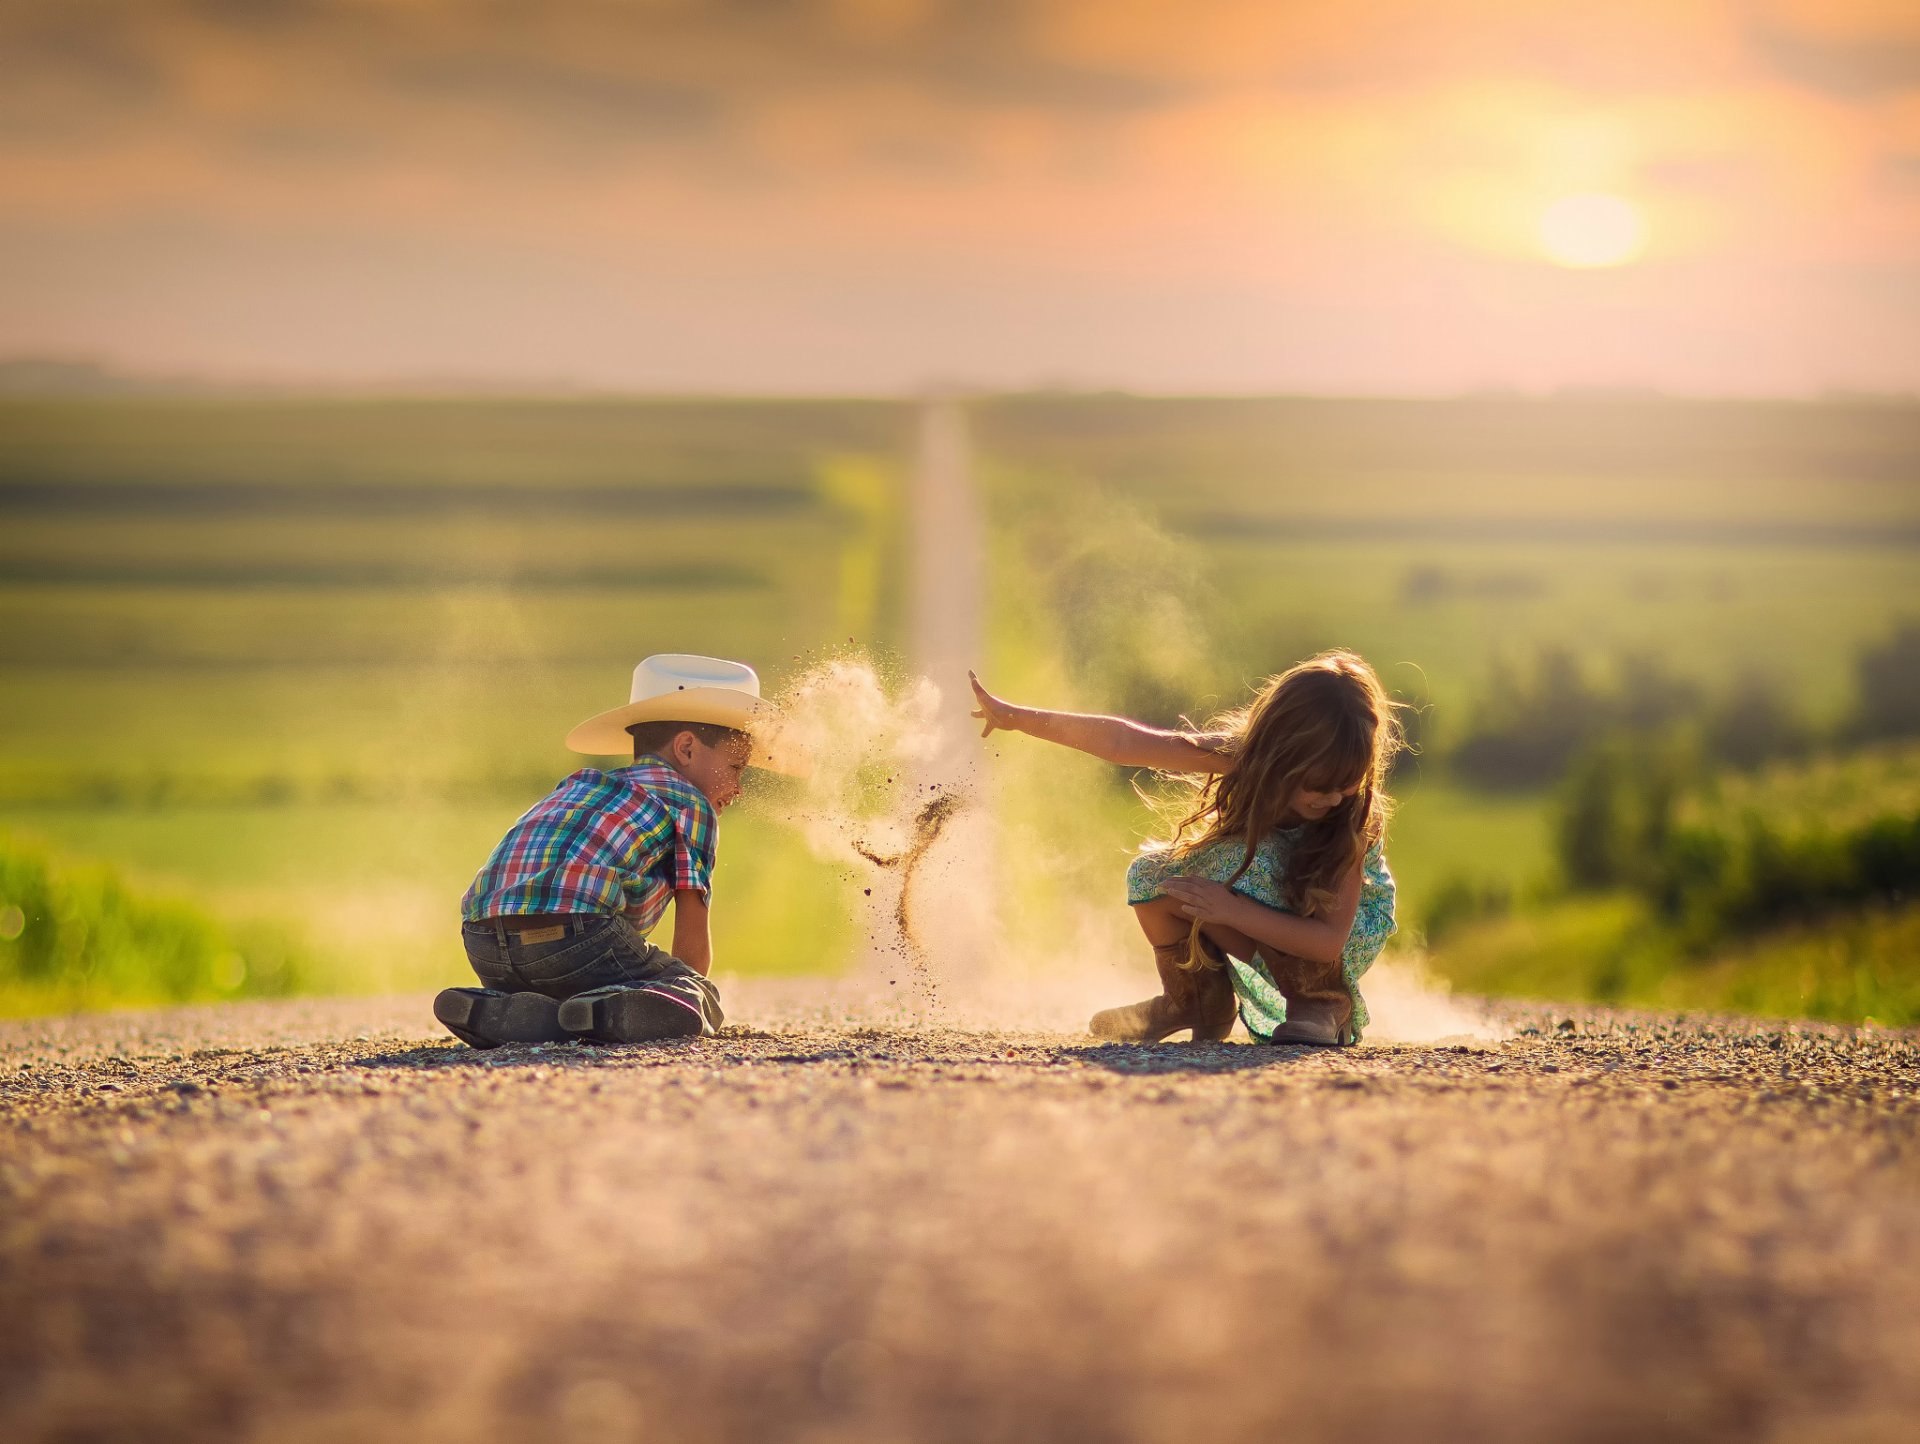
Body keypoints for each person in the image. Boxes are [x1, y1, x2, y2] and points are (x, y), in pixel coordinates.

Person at [968, 650, 1400, 1047]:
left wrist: (1231, 911)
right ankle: (1195, 999)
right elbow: (1124, 743)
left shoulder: (1350, 820)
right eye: (1317, 787)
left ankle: (1320, 1002)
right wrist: (1016, 717)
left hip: (1341, 934)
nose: (1332, 800)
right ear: (1277, 757)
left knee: (1245, 863)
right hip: (1265, 902)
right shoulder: (1246, 758)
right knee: (1155, 876)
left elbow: (1328, 941)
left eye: (1346, 786)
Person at [434, 653, 806, 1049]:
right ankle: (607, 1012)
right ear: (686, 748)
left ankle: (515, 1012)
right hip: (576, 937)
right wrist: (692, 991)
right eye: (735, 768)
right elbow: (692, 932)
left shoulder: (584, 783)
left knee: (570, 996)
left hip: (483, 941)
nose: (738, 788)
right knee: (696, 995)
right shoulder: (689, 804)